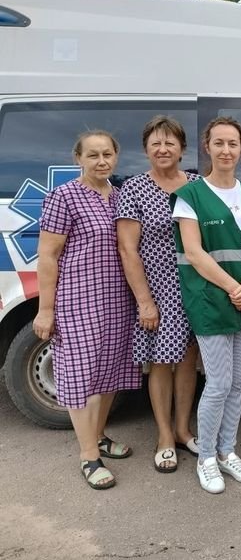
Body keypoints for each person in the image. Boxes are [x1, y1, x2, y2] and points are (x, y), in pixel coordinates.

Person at [171, 117, 241, 494]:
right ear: (207, 147)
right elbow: (195, 253)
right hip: (214, 301)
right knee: (217, 383)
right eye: (219, 143)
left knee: (237, 383)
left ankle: (228, 452)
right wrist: (236, 288)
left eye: (233, 143)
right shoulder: (190, 196)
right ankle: (207, 458)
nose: (226, 150)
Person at [33, 130, 140, 490]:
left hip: (116, 301)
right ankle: (87, 455)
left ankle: (99, 437)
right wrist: (46, 310)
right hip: (78, 301)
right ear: (78, 158)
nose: (101, 161)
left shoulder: (120, 196)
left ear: (116, 156)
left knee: (108, 372)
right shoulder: (64, 196)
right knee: (81, 376)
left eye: (107, 154)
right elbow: (48, 257)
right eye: (92, 155)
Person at [117, 116, 199, 474]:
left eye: (170, 142)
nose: (163, 149)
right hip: (159, 289)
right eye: (155, 143)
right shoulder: (134, 189)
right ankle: (164, 435)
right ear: (146, 149)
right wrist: (145, 301)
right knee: (161, 362)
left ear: (182, 148)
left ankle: (183, 430)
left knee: (188, 360)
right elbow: (127, 250)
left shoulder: (197, 185)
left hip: (196, 287)